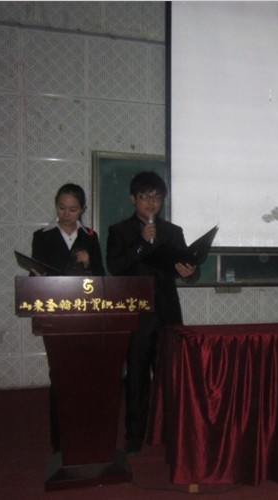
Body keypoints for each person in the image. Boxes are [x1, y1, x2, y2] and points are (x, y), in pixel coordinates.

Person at [106, 171, 199, 454]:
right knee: (135, 378)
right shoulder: (119, 231)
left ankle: (171, 433)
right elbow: (115, 267)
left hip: (167, 314)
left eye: (157, 197)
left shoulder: (173, 232)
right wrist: (141, 244)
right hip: (135, 315)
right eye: (145, 197)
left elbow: (188, 269)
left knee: (169, 377)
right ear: (133, 199)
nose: (151, 203)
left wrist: (191, 271)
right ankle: (134, 436)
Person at [30, 183, 105, 452]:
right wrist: (35, 275)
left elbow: (101, 277)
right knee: (59, 374)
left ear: (82, 210)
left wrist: (89, 263)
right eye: (62, 207)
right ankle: (59, 441)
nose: (66, 213)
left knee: (86, 374)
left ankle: (86, 433)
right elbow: (34, 274)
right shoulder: (43, 236)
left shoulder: (90, 236)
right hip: (56, 315)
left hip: (84, 315)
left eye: (73, 209)